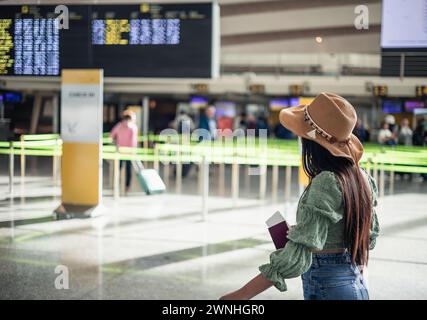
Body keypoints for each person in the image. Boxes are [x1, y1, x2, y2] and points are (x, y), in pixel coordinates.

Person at [220, 92, 379, 300]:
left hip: (327, 289)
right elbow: (370, 237)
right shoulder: (362, 178)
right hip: (356, 285)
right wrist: (309, 232)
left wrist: (240, 295)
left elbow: (295, 258)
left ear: (312, 143)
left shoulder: (327, 182)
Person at [110, 111, 138, 193]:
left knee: (118, 169)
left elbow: (111, 135)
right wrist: (133, 151)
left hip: (120, 151)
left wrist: (116, 142)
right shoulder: (133, 127)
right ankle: (127, 187)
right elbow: (133, 141)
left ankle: (115, 184)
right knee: (128, 170)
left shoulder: (119, 126)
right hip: (129, 152)